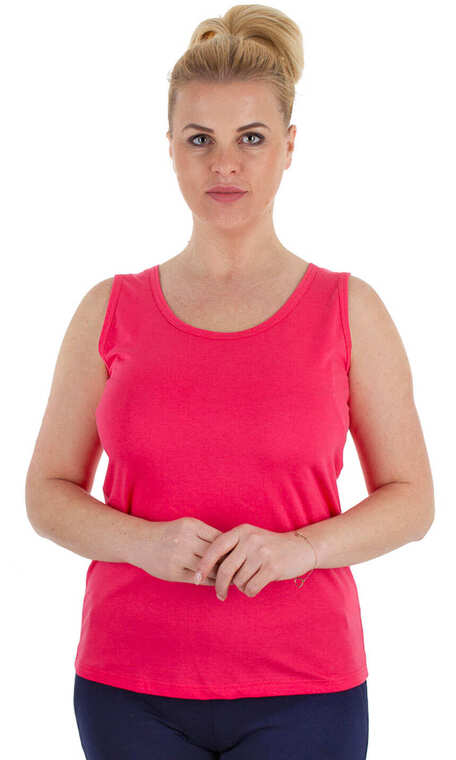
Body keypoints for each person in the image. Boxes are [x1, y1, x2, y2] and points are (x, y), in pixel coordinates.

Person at [25, 4, 434, 759]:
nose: (225, 165)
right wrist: (142, 543)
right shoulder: (109, 309)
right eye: (199, 140)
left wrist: (301, 549)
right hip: (127, 687)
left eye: (251, 138)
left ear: (289, 147)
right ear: (170, 149)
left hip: (306, 687)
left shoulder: (349, 310)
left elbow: (412, 502)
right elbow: (46, 493)